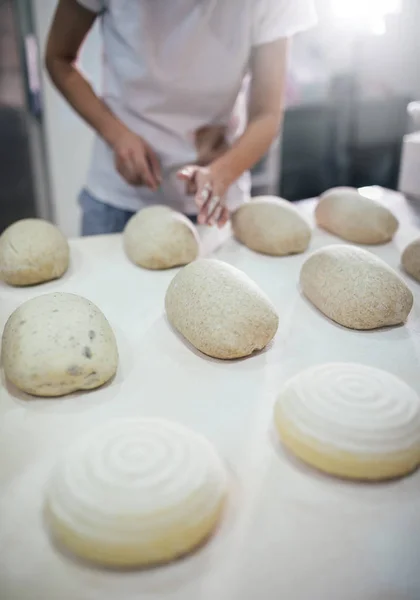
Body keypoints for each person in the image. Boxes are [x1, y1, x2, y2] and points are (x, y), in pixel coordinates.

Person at [45, 0, 317, 235]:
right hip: (118, 202)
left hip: (215, 206)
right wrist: (117, 136)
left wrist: (221, 172)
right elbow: (59, 59)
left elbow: (266, 115)